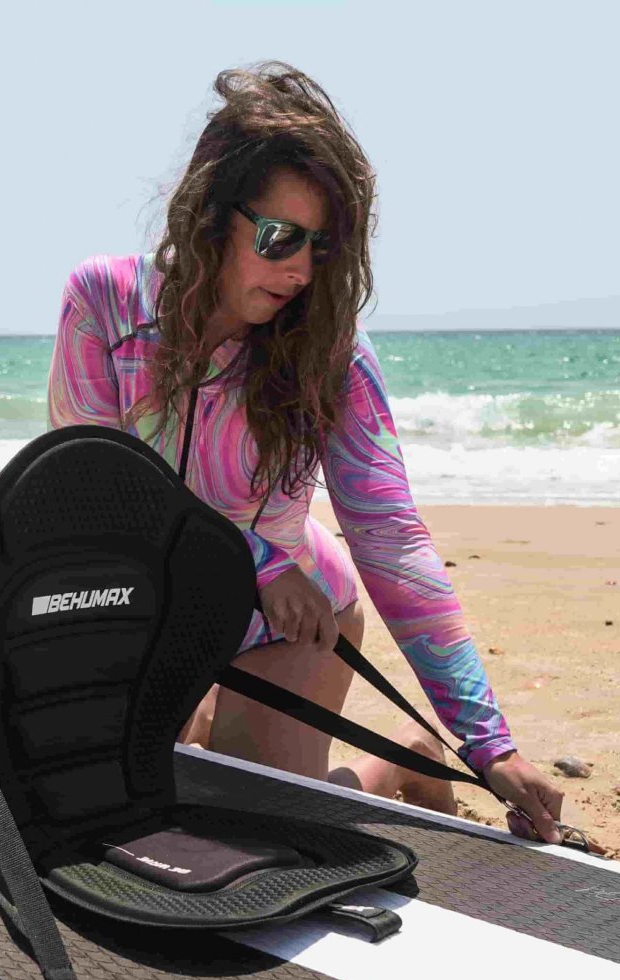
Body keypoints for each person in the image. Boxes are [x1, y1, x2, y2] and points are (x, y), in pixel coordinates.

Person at [47, 61, 566, 843]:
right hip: (153, 612)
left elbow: (391, 540)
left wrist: (490, 745)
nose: (298, 271)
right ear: (213, 214)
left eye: (320, 248)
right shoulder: (104, 304)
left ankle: (403, 759)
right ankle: (212, 716)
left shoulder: (333, 354)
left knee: (253, 827)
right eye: (280, 237)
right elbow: (95, 493)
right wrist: (253, 556)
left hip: (293, 616)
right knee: (131, 807)